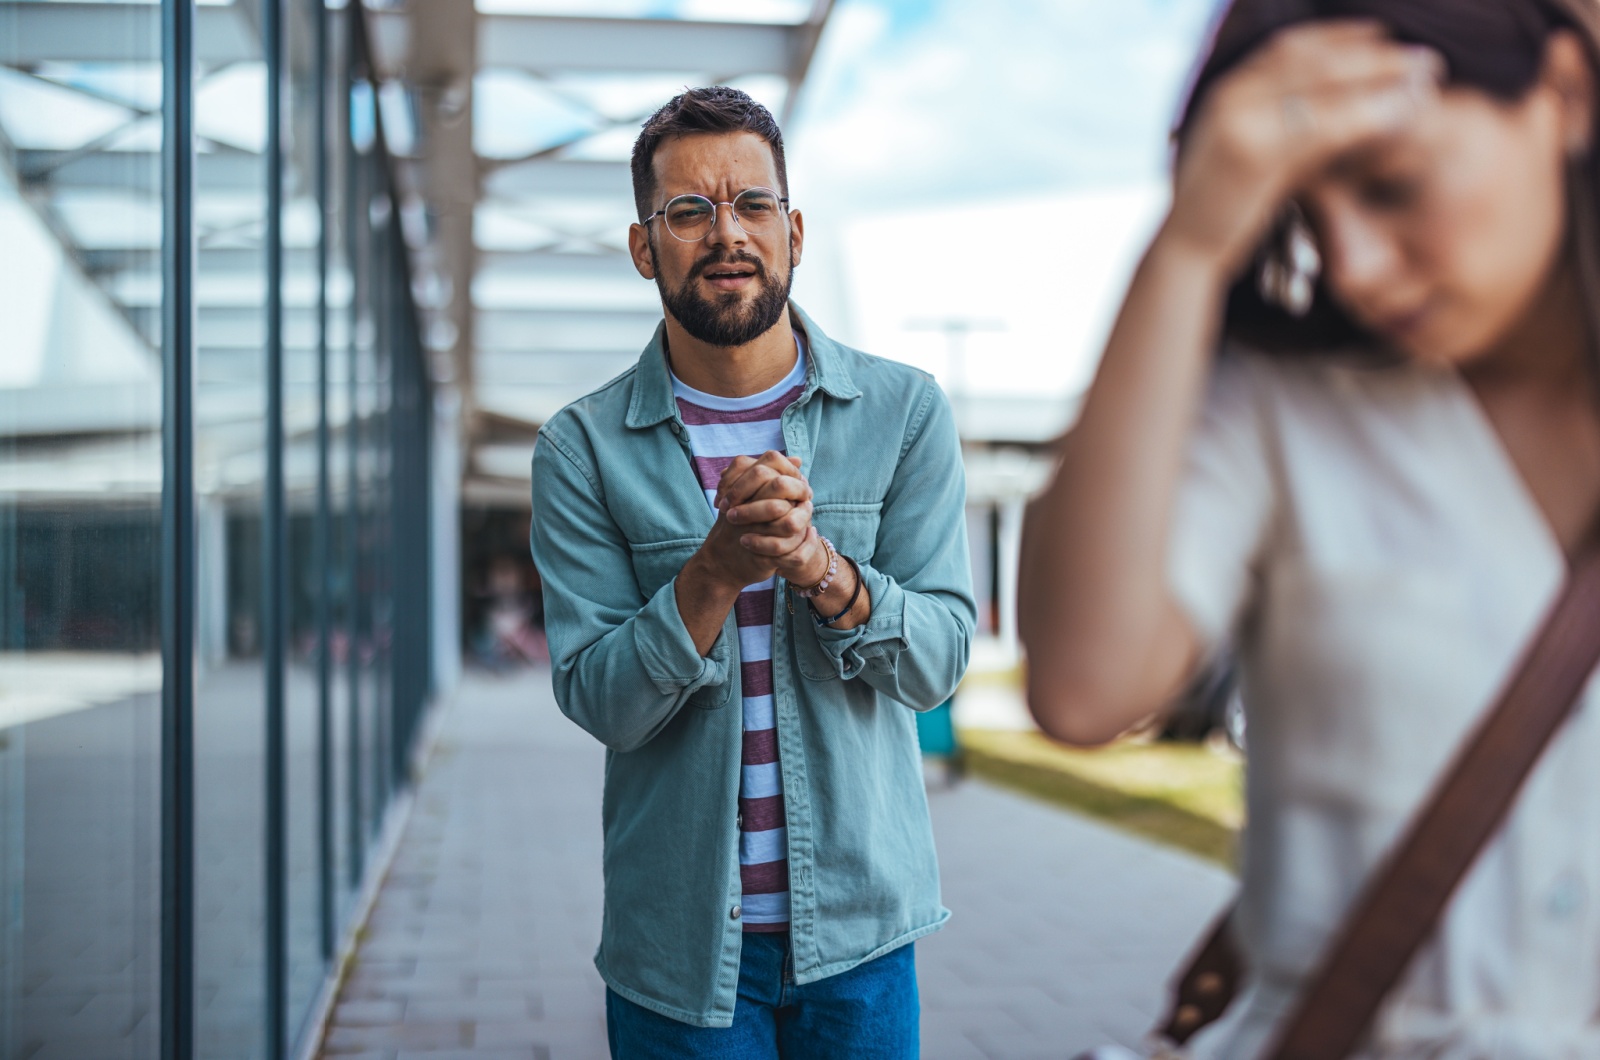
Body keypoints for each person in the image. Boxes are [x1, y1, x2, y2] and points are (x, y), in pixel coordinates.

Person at [1019, 1, 1600, 1055]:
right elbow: (1084, 686)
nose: (1356, 267)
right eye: (1303, 216)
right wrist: (1189, 248)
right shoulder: (1282, 411)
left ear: (1564, 93)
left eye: (1391, 185)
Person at [528, 86, 974, 1058]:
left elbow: (936, 660)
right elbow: (599, 698)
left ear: (794, 229)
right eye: (688, 210)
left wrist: (821, 567)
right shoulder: (582, 446)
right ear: (645, 248)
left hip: (859, 936)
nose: (725, 233)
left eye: (752, 204)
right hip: (680, 949)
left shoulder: (901, 412)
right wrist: (713, 572)